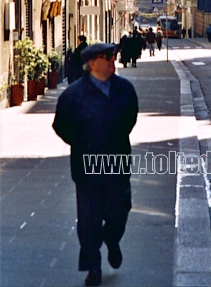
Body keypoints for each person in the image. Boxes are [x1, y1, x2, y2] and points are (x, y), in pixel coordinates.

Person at [52, 43, 138, 287]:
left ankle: (112, 240)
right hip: (86, 165)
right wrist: (83, 144)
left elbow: (131, 117)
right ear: (91, 64)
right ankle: (93, 266)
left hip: (116, 162)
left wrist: (116, 139)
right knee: (88, 219)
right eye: (107, 57)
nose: (113, 60)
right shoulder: (74, 94)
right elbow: (61, 125)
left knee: (119, 210)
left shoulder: (124, 89)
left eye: (113, 56)